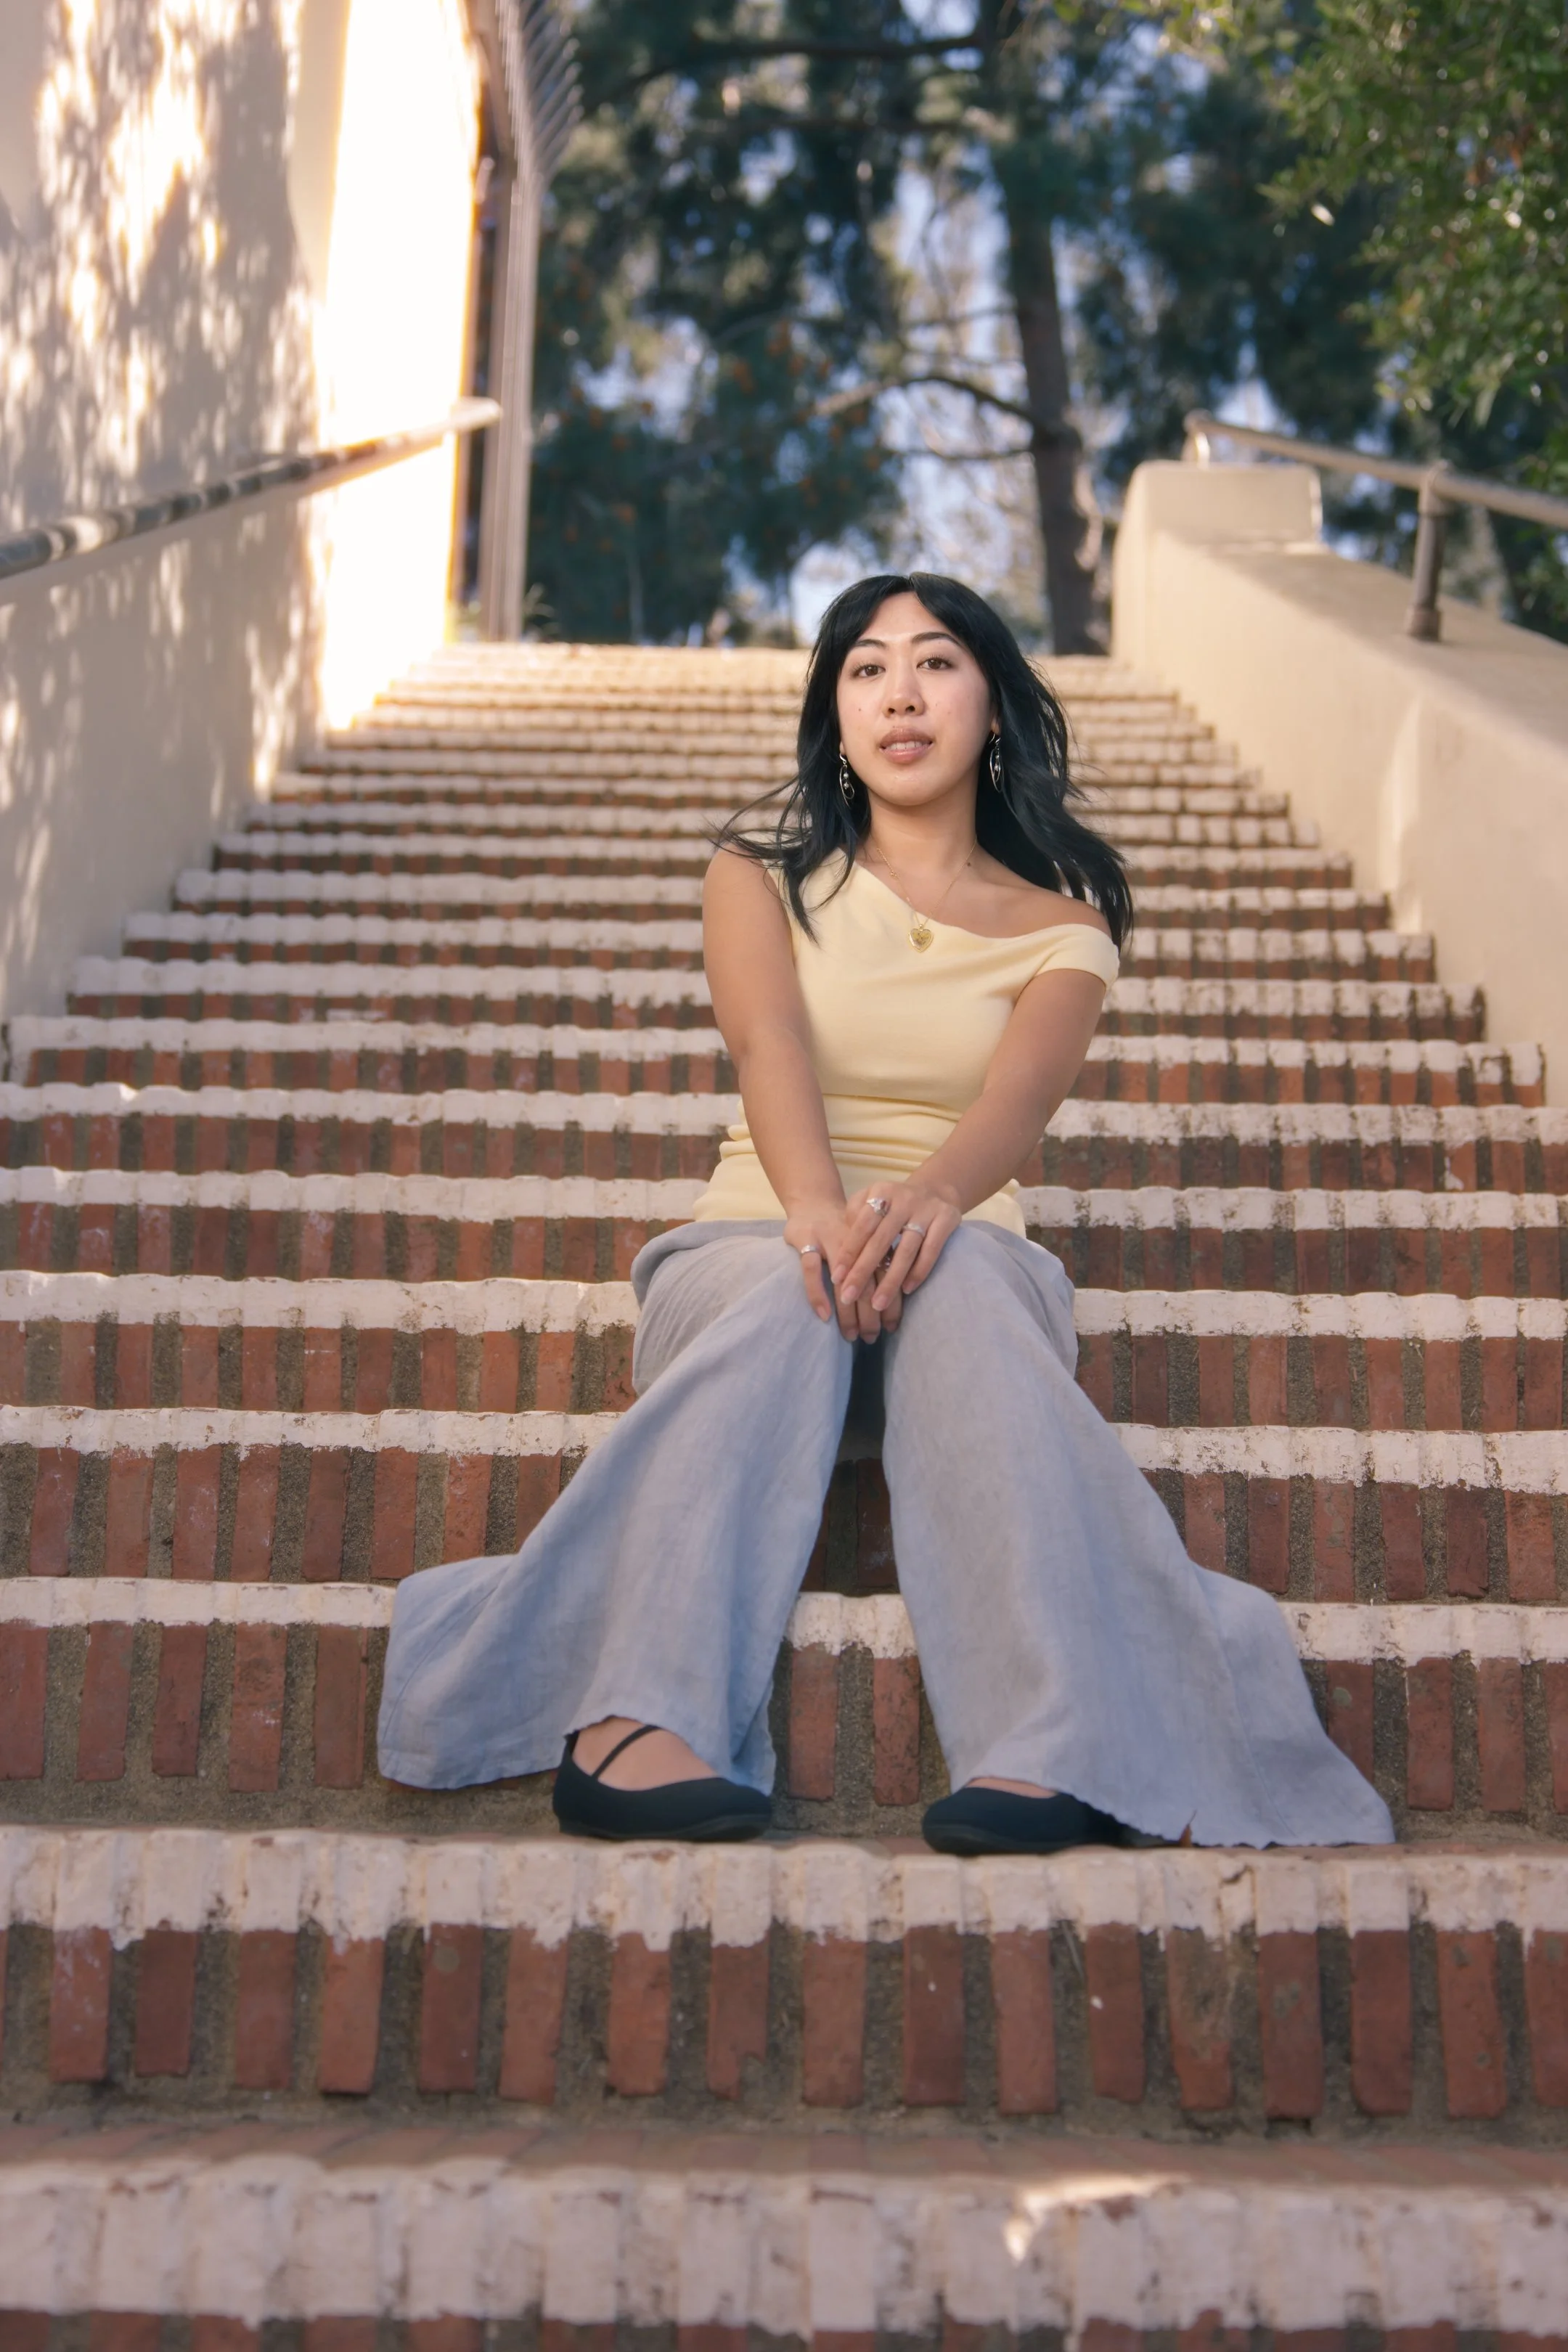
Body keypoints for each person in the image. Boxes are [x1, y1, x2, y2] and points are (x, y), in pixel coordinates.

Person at [377, 573, 1394, 1855]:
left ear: (993, 705)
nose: (900, 693)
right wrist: (814, 1213)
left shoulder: (1064, 933)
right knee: (781, 1290)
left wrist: (926, 1204)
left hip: (962, 1259)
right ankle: (634, 1714)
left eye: (935, 664)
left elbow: (1011, 1115)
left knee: (962, 1273)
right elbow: (769, 1046)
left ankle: (1053, 1741)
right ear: (837, 714)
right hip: (754, 1242)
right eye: (865, 668)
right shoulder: (759, 878)